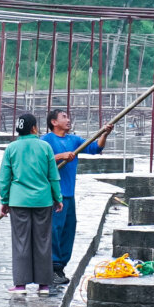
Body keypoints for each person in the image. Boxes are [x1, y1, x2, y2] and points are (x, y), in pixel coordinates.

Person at [43, 109, 113, 285]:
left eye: (68, 116)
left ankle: (61, 266)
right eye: (64, 117)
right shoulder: (45, 141)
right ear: (53, 122)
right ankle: (52, 267)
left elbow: (96, 148)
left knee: (68, 230)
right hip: (54, 194)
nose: (68, 120)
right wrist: (60, 156)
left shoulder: (74, 140)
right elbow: (39, 160)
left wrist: (105, 134)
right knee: (54, 231)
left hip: (69, 194)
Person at [0, 113, 63, 295]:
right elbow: (53, 176)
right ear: (34, 128)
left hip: (18, 201)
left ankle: (20, 284)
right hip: (43, 200)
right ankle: (43, 285)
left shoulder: (11, 149)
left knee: (21, 241)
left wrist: (4, 200)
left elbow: (5, 178)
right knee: (43, 241)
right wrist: (58, 198)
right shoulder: (45, 147)